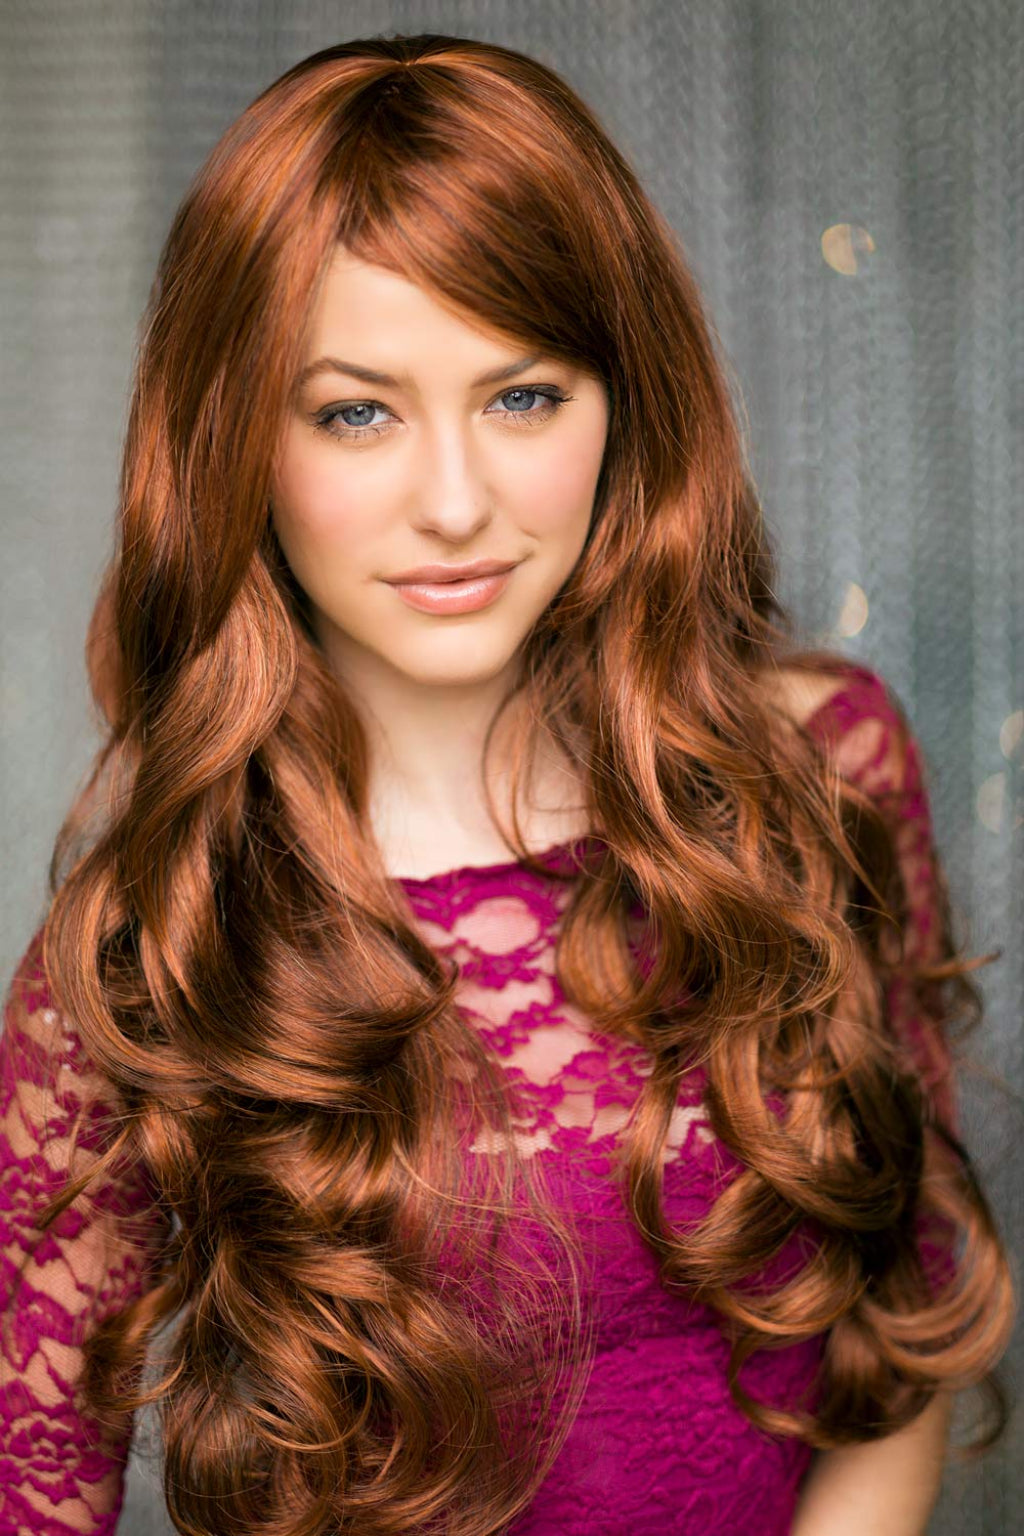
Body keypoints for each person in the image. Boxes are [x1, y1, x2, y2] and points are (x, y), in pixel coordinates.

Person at [0, 31, 1015, 1536]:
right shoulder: (147, 964)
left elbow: (904, 1326)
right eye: (359, 411)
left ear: (625, 403)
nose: (459, 500)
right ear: (239, 445)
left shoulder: (823, 769)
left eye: (524, 396)